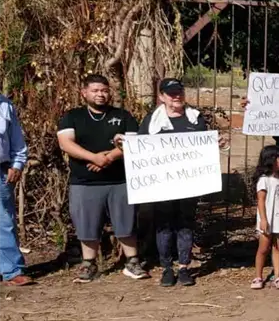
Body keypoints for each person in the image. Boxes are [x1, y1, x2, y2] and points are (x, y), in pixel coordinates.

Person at [57, 74, 144, 283]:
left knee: (126, 224)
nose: (100, 94)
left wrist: (108, 158)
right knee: (86, 225)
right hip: (84, 182)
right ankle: (89, 264)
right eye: (95, 90)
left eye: (104, 90)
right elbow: (65, 143)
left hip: (120, 181)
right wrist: (93, 157)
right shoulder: (72, 116)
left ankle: (132, 262)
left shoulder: (123, 115)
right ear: (84, 93)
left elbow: (133, 142)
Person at [139, 78, 209, 287]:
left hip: (189, 182)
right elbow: (140, 148)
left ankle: (184, 267)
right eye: (171, 93)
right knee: (164, 226)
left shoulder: (195, 118)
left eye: (179, 92)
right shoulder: (151, 121)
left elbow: (203, 147)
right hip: (162, 184)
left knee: (185, 224)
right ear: (162, 97)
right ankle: (167, 268)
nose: (176, 96)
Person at [0, 93, 31, 287]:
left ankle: (12, 270)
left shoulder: (5, 105)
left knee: (4, 222)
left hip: (1, 170)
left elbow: (16, 139)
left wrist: (17, 163)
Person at [250, 145, 279, 290]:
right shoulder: (264, 180)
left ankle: (277, 276)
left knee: (278, 247)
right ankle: (258, 277)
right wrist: (264, 219)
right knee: (263, 248)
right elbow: (261, 200)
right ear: (271, 159)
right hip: (267, 219)